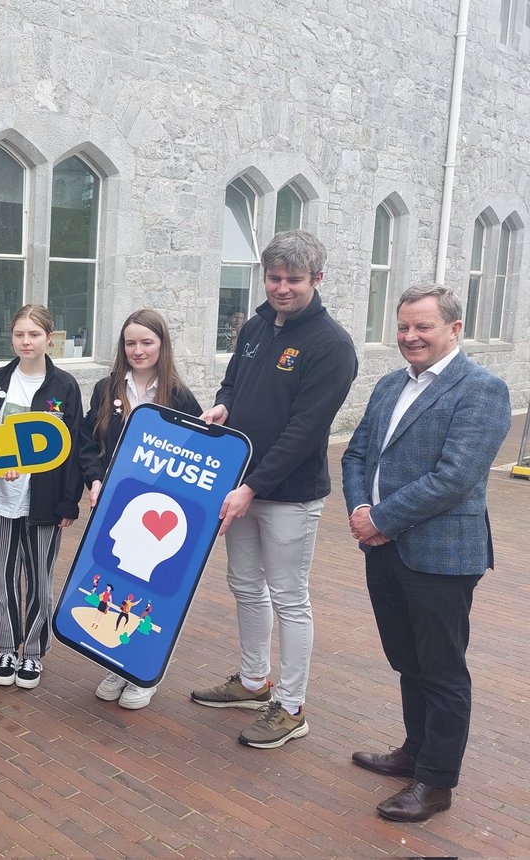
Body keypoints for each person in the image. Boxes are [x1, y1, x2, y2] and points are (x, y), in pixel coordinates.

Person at [341, 284, 510, 822]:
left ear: (454, 329)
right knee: (407, 660)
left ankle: (436, 784)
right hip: (383, 549)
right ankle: (415, 752)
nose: (410, 337)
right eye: (403, 327)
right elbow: (357, 453)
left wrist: (380, 519)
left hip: (439, 555)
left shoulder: (481, 389)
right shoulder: (391, 384)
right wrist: (360, 511)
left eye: (423, 327)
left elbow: (455, 477)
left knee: (441, 670)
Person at [191, 230, 356, 749]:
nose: (282, 288)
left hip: (289, 495)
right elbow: (234, 383)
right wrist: (221, 405)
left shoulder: (331, 345)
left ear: (317, 280)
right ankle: (252, 680)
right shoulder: (256, 325)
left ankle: (291, 706)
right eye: (275, 278)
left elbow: (306, 430)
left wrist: (255, 485)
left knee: (289, 597)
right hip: (244, 486)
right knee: (244, 585)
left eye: (294, 280)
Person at [83, 309, 200, 711]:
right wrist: (94, 479)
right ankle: (117, 660)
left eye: (146, 342)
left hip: (160, 514)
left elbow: (198, 454)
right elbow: (89, 443)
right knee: (116, 582)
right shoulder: (106, 389)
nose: (138, 350)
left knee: (150, 589)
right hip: (115, 507)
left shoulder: (179, 396)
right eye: (130, 342)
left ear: (161, 346)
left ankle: (143, 670)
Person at [0, 305, 83, 690]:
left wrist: (69, 501)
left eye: (34, 335)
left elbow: (73, 447)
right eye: (20, 334)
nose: (26, 341)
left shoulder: (65, 386)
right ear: (12, 338)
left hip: (44, 500)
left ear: (49, 339)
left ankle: (34, 652)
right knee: (2, 579)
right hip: (0, 500)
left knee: (40, 579)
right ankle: (6, 646)